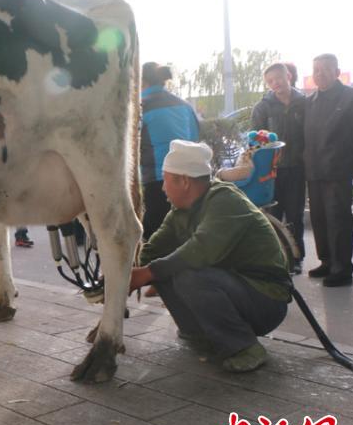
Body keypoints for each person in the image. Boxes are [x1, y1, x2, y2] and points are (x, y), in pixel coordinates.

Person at [130, 140, 291, 372]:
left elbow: (200, 251)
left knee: (186, 273)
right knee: (161, 269)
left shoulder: (225, 201)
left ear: (184, 181)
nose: (163, 188)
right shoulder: (180, 211)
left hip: (265, 299)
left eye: (165, 180)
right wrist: (126, 277)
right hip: (236, 289)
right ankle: (199, 334)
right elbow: (152, 251)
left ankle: (244, 347)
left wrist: (147, 273)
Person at [303, 54, 353, 287]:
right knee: (319, 219)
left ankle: (342, 268)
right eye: (316, 70)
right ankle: (327, 261)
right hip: (314, 169)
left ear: (336, 71)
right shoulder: (310, 100)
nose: (319, 74)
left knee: (338, 219)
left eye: (325, 69)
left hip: (338, 168)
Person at [251, 63, 307, 273]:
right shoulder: (263, 107)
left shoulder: (305, 103)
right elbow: (254, 139)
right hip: (271, 171)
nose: (276, 84)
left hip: (297, 168)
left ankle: (297, 258)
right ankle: (277, 258)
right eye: (270, 81)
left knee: (295, 215)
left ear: (289, 76)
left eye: (278, 78)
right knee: (274, 214)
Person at [139, 62, 200, 240]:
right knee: (188, 235)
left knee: (157, 240)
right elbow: (195, 139)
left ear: (141, 81)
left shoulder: (140, 107)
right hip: (190, 179)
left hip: (158, 180)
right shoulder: (184, 105)